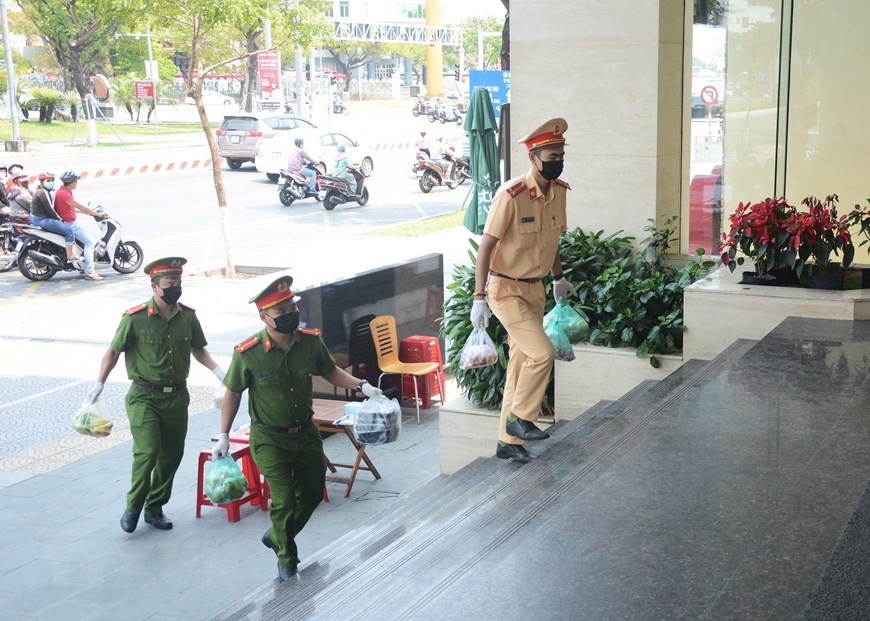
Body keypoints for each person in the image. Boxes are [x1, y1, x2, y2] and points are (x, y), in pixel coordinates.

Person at [211, 275, 382, 581]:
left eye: (292, 307)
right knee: (285, 498)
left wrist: (362, 385)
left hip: (305, 433)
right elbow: (233, 393)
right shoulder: (247, 353)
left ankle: (277, 535)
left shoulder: (310, 341)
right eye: (282, 311)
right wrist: (223, 435)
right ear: (264, 317)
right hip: (268, 438)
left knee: (314, 492)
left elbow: (329, 370)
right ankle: (286, 557)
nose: (291, 314)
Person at [86, 257, 225, 533]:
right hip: (144, 396)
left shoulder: (187, 316)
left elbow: (198, 349)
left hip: (177, 396)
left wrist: (219, 371)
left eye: (179, 282)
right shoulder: (135, 318)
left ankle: (155, 507)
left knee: (172, 454)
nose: (175, 287)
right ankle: (133, 506)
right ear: (154, 286)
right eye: (170, 283)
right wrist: (98, 384)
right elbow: (113, 352)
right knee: (148, 451)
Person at [471, 118, 577, 465]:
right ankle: (521, 417)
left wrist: (559, 278)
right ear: (534, 158)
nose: (557, 159)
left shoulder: (559, 192)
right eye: (551, 153)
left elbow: (552, 241)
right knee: (542, 353)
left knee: (520, 365)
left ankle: (508, 441)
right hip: (505, 290)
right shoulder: (511, 195)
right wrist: (479, 298)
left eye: (561, 153)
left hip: (536, 291)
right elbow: (486, 247)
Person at [54, 171, 107, 281]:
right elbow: (80, 206)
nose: (77, 183)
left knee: (84, 243)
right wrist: (97, 214)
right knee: (89, 242)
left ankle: (84, 265)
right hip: (70, 224)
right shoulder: (65, 194)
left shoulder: (62, 191)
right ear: (72, 182)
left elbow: (68, 208)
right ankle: (90, 271)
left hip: (66, 221)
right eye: (76, 181)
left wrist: (80, 212)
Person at [29, 172, 82, 267]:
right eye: (48, 181)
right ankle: (70, 256)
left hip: (38, 218)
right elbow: (50, 210)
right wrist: (61, 220)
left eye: (52, 181)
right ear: (42, 182)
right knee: (69, 230)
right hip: (41, 219)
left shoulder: (45, 192)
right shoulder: (42, 192)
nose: (51, 182)